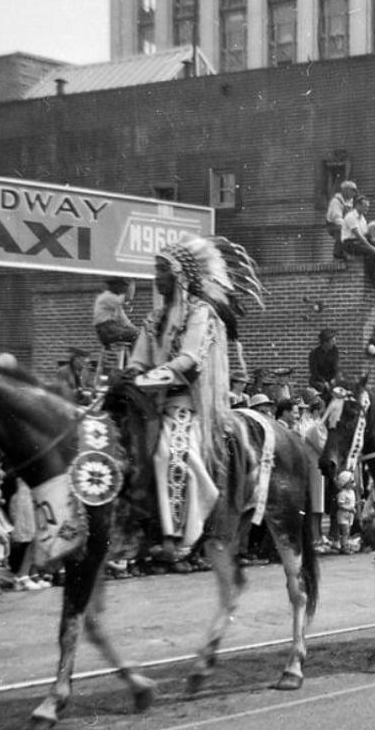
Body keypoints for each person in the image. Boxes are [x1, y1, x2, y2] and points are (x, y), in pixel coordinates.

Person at [127, 236, 263, 563]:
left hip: (184, 404)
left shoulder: (201, 314)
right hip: (147, 401)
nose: (156, 277)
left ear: (179, 275)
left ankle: (177, 538)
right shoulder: (153, 319)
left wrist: (145, 379)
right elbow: (138, 358)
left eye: (162, 271)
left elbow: (189, 361)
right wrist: (130, 373)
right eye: (155, 270)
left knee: (169, 454)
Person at [94, 277, 139, 349]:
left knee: (136, 333)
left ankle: (128, 358)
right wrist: (131, 287)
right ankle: (134, 358)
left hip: (107, 330)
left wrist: (136, 329)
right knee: (135, 334)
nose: (123, 289)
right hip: (107, 330)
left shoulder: (112, 302)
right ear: (115, 286)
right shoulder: (108, 297)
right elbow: (127, 298)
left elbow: (123, 319)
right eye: (121, 286)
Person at [325, 180, 359, 259]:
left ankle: (349, 252)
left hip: (343, 223)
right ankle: (338, 253)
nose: (354, 193)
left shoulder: (350, 201)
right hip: (333, 225)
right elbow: (336, 218)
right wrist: (347, 226)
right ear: (345, 190)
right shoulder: (336, 201)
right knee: (342, 231)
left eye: (355, 191)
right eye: (352, 190)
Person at [308, 328, 340, 399]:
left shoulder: (334, 351)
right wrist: (324, 382)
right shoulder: (314, 354)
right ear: (325, 343)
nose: (334, 343)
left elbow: (336, 367)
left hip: (330, 379)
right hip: (318, 380)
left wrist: (333, 379)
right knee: (322, 387)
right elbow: (314, 372)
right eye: (332, 341)